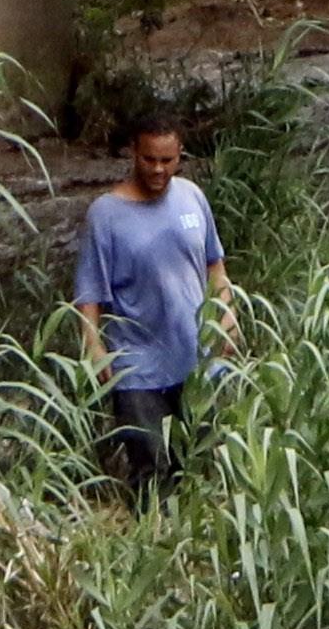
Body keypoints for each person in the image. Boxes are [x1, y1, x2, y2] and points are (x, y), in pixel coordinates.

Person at [72, 115, 230, 502]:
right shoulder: (105, 215)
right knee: (151, 474)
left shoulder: (193, 197)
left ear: (180, 156)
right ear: (133, 154)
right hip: (137, 368)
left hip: (198, 357)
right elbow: (89, 294)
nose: (158, 169)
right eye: (149, 160)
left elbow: (215, 268)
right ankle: (153, 546)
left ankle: (198, 554)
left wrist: (227, 315)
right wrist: (94, 348)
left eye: (167, 160)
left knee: (199, 469)